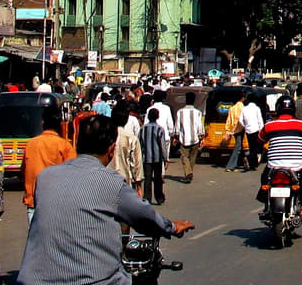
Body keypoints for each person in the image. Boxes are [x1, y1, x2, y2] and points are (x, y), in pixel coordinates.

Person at [17, 114, 192, 285]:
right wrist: (171, 227)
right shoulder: (111, 182)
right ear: (111, 149)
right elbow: (144, 217)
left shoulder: (46, 177)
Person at [259, 96, 302, 220]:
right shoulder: (301, 125)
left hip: (273, 166)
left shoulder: (269, 125)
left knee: (264, 178)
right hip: (297, 166)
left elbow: (260, 139)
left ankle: (266, 205)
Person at [22, 105, 75, 224]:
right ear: (60, 124)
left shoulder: (31, 144)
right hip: (56, 204)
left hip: (34, 203)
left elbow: (24, 170)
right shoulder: (65, 146)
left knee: (35, 240)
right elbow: (73, 177)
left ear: (42, 122)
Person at [110, 104, 142, 196]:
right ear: (126, 120)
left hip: (106, 181)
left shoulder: (104, 137)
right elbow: (137, 164)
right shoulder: (131, 139)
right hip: (124, 181)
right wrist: (139, 186)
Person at [139, 108, 168, 205]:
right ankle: (159, 197)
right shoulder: (160, 129)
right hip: (157, 157)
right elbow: (162, 145)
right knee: (158, 178)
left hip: (146, 158)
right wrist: (165, 158)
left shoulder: (143, 129)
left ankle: (147, 198)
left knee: (147, 178)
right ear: (157, 117)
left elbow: (140, 144)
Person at [174, 91, 204, 184]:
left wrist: (176, 136)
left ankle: (188, 173)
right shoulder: (198, 112)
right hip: (195, 138)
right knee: (192, 157)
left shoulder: (180, 112)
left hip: (184, 139)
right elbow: (200, 126)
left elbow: (177, 127)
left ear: (185, 100)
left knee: (184, 157)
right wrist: (202, 137)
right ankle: (189, 172)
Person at [240, 92, 265, 170]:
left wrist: (245, 126)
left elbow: (240, 120)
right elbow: (260, 120)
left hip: (248, 130)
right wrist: (261, 129)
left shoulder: (244, 109)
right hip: (256, 130)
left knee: (251, 147)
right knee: (255, 147)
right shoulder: (257, 108)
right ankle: (254, 164)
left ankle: (252, 163)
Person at [224, 91, 246, 171]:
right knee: (238, 147)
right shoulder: (243, 108)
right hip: (241, 129)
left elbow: (228, 120)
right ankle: (230, 166)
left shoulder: (232, 108)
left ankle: (245, 162)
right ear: (243, 98)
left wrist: (227, 131)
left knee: (240, 145)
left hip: (234, 130)